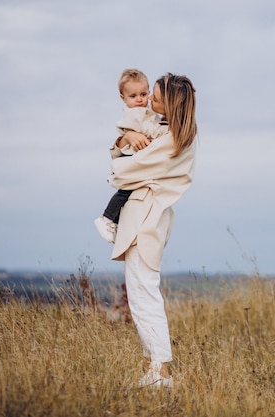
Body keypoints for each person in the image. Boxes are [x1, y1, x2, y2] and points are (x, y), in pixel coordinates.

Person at [107, 73, 198, 388]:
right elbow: (124, 152)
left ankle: (160, 372)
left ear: (170, 102)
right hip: (142, 215)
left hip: (147, 218)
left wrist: (125, 153)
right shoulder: (163, 129)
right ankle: (152, 368)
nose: (149, 103)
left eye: (155, 98)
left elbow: (126, 170)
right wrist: (124, 139)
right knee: (140, 293)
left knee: (145, 293)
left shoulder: (175, 138)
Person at [94, 69, 169, 243]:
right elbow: (150, 129)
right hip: (128, 157)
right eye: (133, 96)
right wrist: (166, 129)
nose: (140, 99)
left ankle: (117, 221)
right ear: (123, 98)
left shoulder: (144, 111)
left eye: (144, 94)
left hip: (132, 155)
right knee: (126, 190)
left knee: (130, 193)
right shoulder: (136, 113)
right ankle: (107, 218)